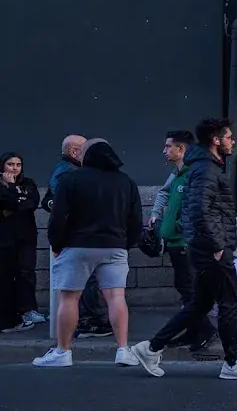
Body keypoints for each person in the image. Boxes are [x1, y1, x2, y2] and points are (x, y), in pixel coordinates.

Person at [131, 118, 237, 380]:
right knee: (229, 302)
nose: (232, 141)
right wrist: (217, 246)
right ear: (216, 140)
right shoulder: (206, 169)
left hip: (203, 247)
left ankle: (151, 347)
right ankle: (232, 362)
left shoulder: (203, 166)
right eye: (228, 137)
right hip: (211, 249)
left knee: (199, 305)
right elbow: (200, 210)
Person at [33, 139, 142, 368]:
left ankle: (63, 352)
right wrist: (125, 243)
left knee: (69, 297)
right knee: (116, 297)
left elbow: (58, 216)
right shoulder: (126, 182)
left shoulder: (71, 179)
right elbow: (135, 221)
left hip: (77, 245)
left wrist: (56, 244)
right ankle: (123, 349)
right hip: (115, 246)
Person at [149, 130, 217, 351]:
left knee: (190, 290)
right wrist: (157, 216)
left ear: (181, 149)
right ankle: (193, 331)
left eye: (168, 146)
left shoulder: (192, 174)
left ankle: (205, 330)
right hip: (175, 242)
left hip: (187, 242)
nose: (164, 151)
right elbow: (165, 194)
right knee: (184, 287)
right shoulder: (177, 174)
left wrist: (179, 226)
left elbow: (198, 207)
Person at [43, 134, 111, 339]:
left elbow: (50, 202)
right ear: (74, 152)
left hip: (78, 235)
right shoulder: (68, 173)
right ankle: (92, 321)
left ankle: (89, 320)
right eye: (86, 149)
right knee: (86, 280)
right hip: (79, 236)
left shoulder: (69, 171)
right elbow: (58, 203)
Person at [0, 152, 41, 332]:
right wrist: (13, 196)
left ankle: (28, 309)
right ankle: (11, 314)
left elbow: (30, 203)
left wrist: (13, 196)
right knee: (6, 276)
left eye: (18, 164)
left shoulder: (28, 184)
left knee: (26, 272)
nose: (14, 168)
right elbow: (9, 203)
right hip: (5, 237)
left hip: (26, 236)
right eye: (10, 164)